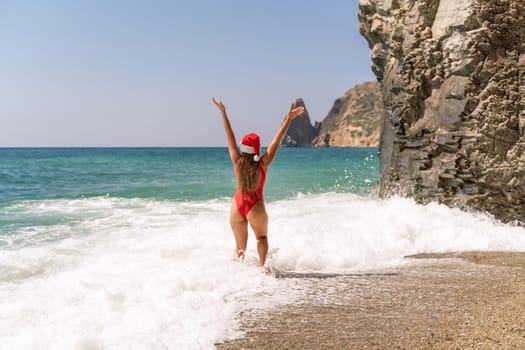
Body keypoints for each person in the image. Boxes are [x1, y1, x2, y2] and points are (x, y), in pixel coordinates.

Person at [212, 97, 304, 273]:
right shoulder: (263, 164)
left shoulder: (237, 161)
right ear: (256, 149)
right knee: (261, 238)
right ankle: (263, 267)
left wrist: (223, 112)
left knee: (239, 250)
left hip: (237, 206)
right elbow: (277, 141)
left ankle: (232, 279)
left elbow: (229, 136)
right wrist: (288, 120)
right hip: (256, 206)